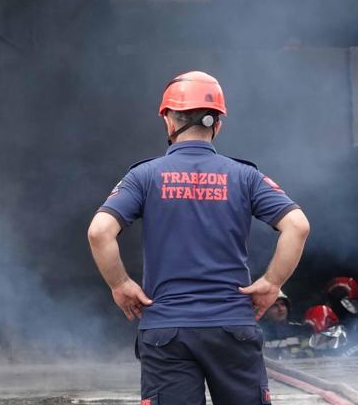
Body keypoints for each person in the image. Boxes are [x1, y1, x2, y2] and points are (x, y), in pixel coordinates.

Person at [87, 70, 311, 403]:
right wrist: (272, 282)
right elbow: (298, 225)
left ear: (168, 120)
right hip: (232, 327)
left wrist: (120, 284)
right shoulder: (245, 176)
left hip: (166, 330)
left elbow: (99, 231)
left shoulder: (143, 176)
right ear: (217, 124)